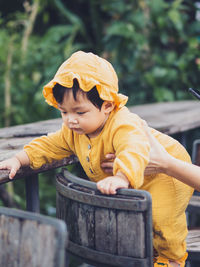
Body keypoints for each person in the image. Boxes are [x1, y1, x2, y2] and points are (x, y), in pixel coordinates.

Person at [0, 51, 193, 267]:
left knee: (161, 218)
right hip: (139, 179)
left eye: (80, 113)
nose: (70, 120)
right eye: (64, 112)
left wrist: (122, 177)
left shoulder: (123, 124)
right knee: (136, 221)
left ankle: (172, 258)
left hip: (167, 174)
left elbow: (133, 148)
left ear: (107, 106)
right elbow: (48, 145)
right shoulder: (73, 130)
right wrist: (19, 159)